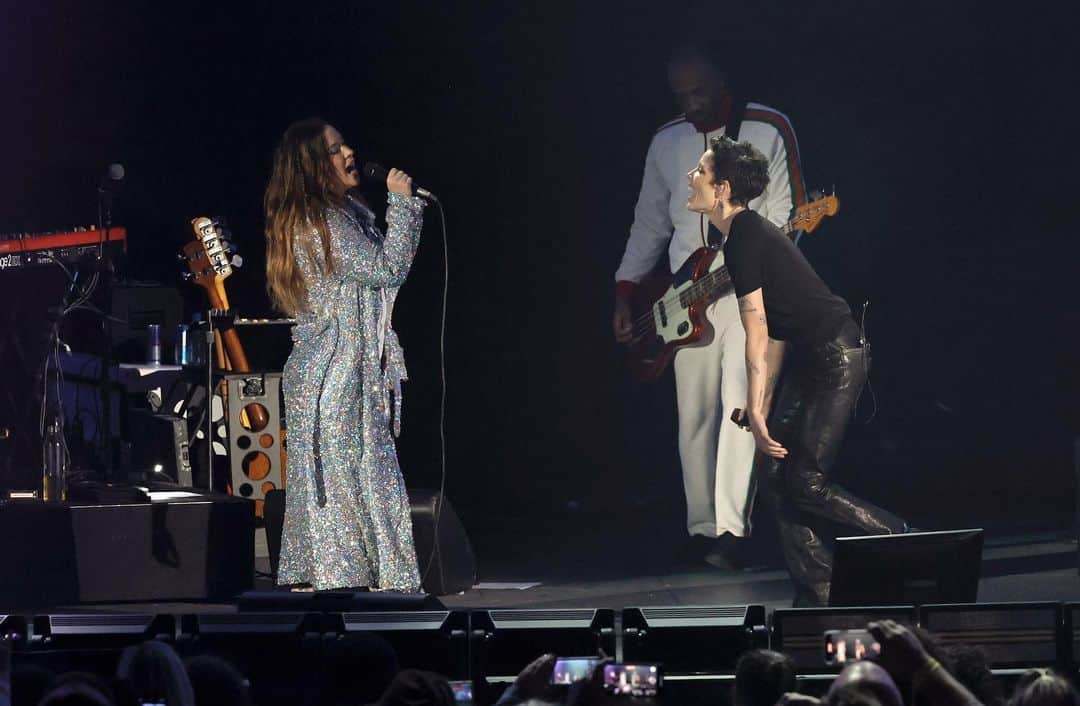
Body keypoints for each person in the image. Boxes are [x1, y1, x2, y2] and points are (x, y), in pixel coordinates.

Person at [688, 135, 906, 605]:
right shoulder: (744, 235)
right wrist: (761, 404)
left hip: (837, 356)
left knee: (806, 482)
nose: (691, 178)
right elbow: (782, 330)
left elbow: (758, 332)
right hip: (813, 358)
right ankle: (819, 589)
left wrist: (756, 407)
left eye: (700, 173)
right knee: (773, 473)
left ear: (721, 188)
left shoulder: (744, 237)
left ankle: (904, 543)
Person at [613, 43, 805, 566]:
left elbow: (788, 215)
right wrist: (627, 290)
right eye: (681, 94)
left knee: (742, 405)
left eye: (699, 91)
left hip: (750, 294)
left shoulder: (766, 128)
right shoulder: (666, 141)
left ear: (722, 82)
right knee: (693, 413)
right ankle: (701, 527)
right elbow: (650, 223)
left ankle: (730, 531)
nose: (691, 103)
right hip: (684, 294)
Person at [264, 117, 426, 591]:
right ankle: (351, 582)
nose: (348, 152)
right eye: (335, 149)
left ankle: (356, 580)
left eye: (343, 144)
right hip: (335, 374)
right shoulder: (325, 223)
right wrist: (402, 202)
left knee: (352, 478)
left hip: (339, 370)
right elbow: (387, 268)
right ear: (314, 166)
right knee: (347, 483)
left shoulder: (339, 215)